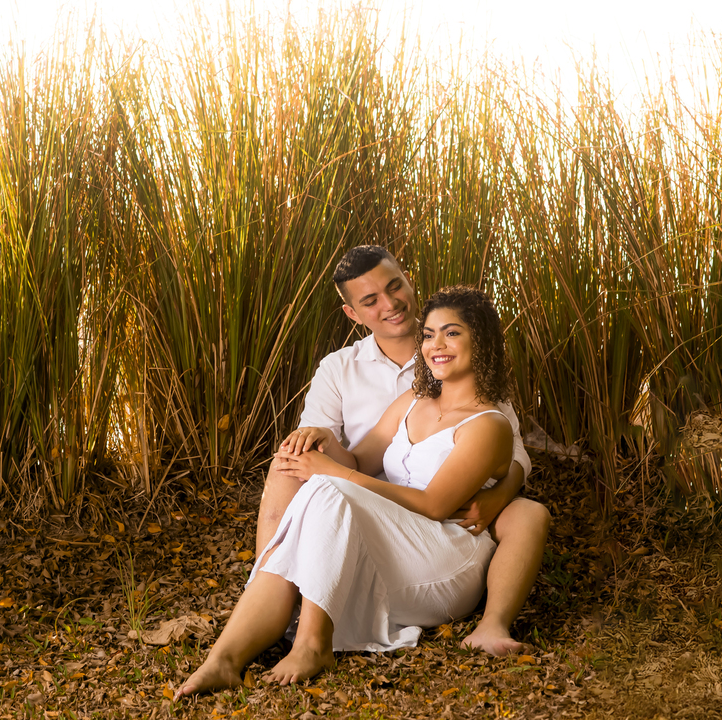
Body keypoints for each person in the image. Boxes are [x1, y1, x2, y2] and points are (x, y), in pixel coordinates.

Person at [175, 286, 531, 697]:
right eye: (429, 334)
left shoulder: (489, 425)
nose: (436, 345)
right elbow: (359, 462)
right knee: (315, 480)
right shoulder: (414, 401)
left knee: (329, 486)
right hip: (394, 546)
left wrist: (330, 473)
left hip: (448, 556)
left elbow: (435, 506)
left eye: (452, 333)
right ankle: (224, 660)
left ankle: (312, 644)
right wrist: (320, 442)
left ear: (481, 341)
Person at [258, 247, 550, 657]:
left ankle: (494, 624)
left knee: (528, 512)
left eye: (395, 286)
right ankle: (271, 590)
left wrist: (500, 495)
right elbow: (337, 447)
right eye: (370, 300)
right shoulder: (339, 368)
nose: (391, 304)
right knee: (288, 464)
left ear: (409, 280)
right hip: (363, 493)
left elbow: (511, 446)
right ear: (352, 314)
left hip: (448, 501)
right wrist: (312, 443)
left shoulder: (456, 350)